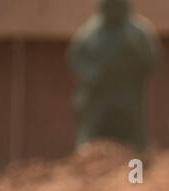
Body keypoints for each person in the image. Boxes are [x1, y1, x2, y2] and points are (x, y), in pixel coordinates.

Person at [68, 0, 161, 152]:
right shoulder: (90, 33)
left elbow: (152, 61)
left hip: (129, 97)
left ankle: (138, 167)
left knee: (135, 146)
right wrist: (94, 75)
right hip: (98, 97)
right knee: (91, 144)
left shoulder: (137, 33)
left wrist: (132, 66)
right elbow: (76, 59)